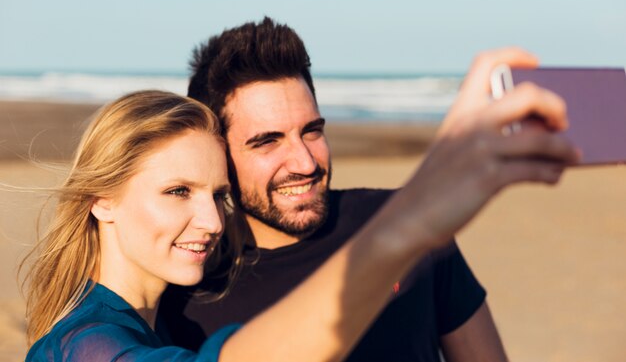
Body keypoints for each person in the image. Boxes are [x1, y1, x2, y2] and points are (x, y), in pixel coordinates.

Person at [22, 63, 577, 360]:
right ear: (102, 199)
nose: (214, 222)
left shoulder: (143, 317)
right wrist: (410, 222)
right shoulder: (85, 342)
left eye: (220, 195)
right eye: (177, 192)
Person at [160, 17, 578, 362]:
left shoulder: (412, 221)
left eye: (312, 131)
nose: (305, 163)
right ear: (218, 153)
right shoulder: (187, 289)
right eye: (267, 141)